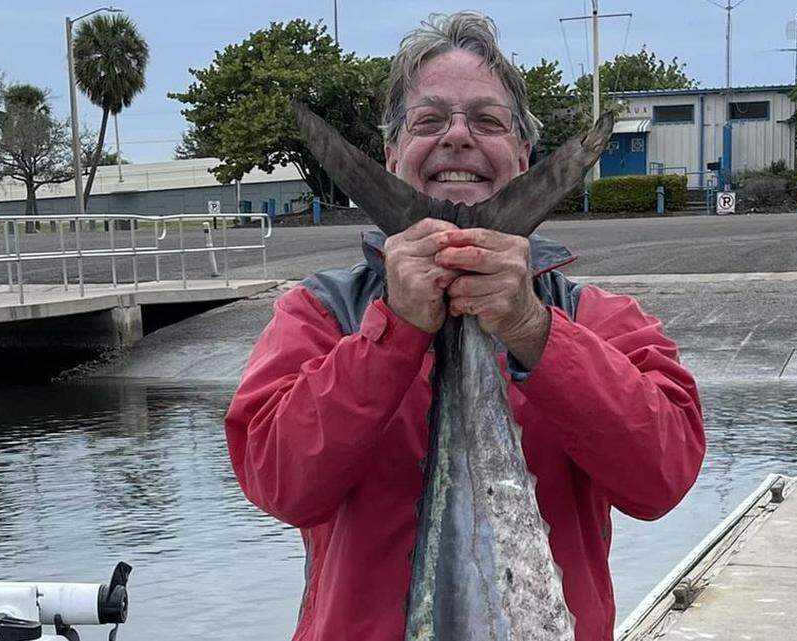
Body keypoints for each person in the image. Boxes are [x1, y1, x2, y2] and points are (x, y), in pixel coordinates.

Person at [225, 11, 705, 641]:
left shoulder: (595, 318)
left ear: (524, 156)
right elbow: (279, 484)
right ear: (392, 155)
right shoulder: (320, 314)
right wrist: (394, 330)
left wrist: (534, 329)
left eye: (487, 121)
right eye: (429, 121)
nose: (456, 137)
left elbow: (662, 479)